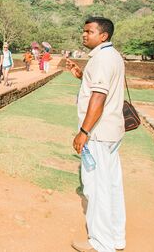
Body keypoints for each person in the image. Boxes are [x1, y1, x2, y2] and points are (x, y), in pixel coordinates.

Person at [65, 17, 126, 252]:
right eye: (84, 31)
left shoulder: (102, 59)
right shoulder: (112, 56)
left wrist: (83, 132)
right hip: (111, 131)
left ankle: (101, 243)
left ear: (104, 36)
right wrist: (82, 76)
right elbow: (99, 87)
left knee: (96, 187)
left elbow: (98, 98)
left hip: (98, 133)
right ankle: (116, 237)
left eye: (89, 31)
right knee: (111, 185)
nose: (84, 35)